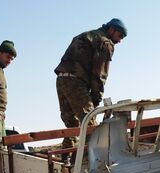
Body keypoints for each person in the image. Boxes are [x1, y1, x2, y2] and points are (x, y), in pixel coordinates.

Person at [54, 18, 127, 163]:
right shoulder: (105, 43)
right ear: (111, 30)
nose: (119, 41)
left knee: (72, 125)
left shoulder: (86, 35)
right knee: (90, 125)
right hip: (76, 82)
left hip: (61, 80)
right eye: (119, 36)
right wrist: (96, 98)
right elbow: (99, 74)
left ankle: (66, 159)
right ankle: (88, 165)